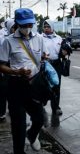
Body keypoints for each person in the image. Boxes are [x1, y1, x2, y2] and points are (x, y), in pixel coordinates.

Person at [0, 8, 48, 153]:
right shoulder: (8, 41)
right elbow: (1, 65)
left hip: (34, 85)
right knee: (18, 125)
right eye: (24, 25)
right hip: (16, 86)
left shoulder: (39, 38)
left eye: (30, 25)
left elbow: (42, 58)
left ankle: (32, 135)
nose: (27, 28)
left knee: (40, 119)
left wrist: (43, 58)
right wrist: (17, 71)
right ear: (17, 23)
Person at [42, 19, 65, 116]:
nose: (46, 29)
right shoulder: (40, 38)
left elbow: (62, 52)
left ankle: (56, 107)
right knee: (43, 85)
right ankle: (41, 103)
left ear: (52, 27)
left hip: (56, 64)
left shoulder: (59, 38)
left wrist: (65, 52)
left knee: (56, 86)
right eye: (45, 27)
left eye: (48, 27)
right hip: (45, 64)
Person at [0, 18, 17, 122]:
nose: (15, 30)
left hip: (15, 64)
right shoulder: (2, 37)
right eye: (13, 27)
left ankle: (12, 109)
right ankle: (2, 112)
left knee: (14, 89)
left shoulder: (19, 38)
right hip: (4, 64)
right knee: (3, 89)